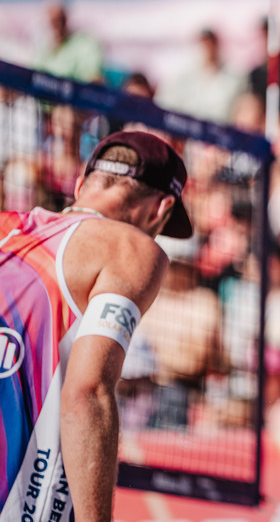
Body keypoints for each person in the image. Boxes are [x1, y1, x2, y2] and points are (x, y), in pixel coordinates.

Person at [0, 130, 191, 521]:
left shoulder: (6, 227)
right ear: (161, 208)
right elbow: (88, 392)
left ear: (81, 184)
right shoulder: (131, 247)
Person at [156, 28, 246, 124]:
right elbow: (164, 104)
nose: (207, 49)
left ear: (216, 46)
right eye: (204, 44)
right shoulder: (183, 79)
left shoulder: (234, 79)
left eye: (210, 44)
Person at [34, 0, 104, 84]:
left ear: (66, 19)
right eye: (52, 20)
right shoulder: (40, 50)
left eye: (60, 19)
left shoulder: (84, 44)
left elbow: (94, 77)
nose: (56, 25)